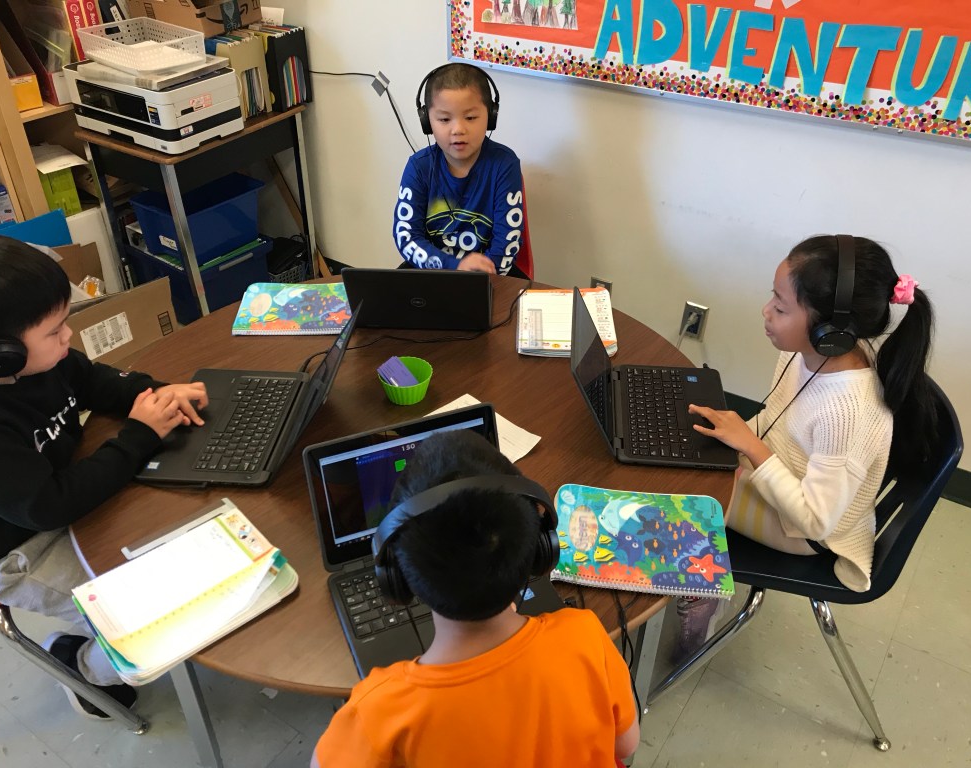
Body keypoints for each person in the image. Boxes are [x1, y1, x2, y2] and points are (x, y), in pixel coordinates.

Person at [0, 234, 208, 718]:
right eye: (54, 331)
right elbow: (49, 506)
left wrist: (156, 394)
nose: (68, 336)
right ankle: (83, 669)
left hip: (66, 490)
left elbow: (90, 379)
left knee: (200, 540)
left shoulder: (34, 361)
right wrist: (139, 436)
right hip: (18, 548)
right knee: (158, 621)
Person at [673, 234, 936, 657]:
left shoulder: (847, 411)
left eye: (781, 308)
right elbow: (776, 422)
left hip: (803, 529)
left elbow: (815, 521)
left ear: (830, 331)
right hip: (780, 479)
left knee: (686, 490)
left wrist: (750, 447)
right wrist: (735, 435)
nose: (766, 311)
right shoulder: (808, 354)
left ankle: (704, 588)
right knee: (682, 451)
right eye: (772, 298)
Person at [311, 430, 640, 767]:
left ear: (397, 575)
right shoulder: (583, 636)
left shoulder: (379, 711)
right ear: (539, 550)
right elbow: (626, 744)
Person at [392, 62, 530, 277]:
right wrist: (453, 267)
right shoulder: (419, 167)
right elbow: (407, 236)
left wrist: (479, 277)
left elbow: (507, 242)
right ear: (427, 121)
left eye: (471, 117)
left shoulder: (504, 165)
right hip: (432, 271)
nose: (458, 129)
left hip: (490, 274)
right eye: (444, 119)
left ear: (491, 116)